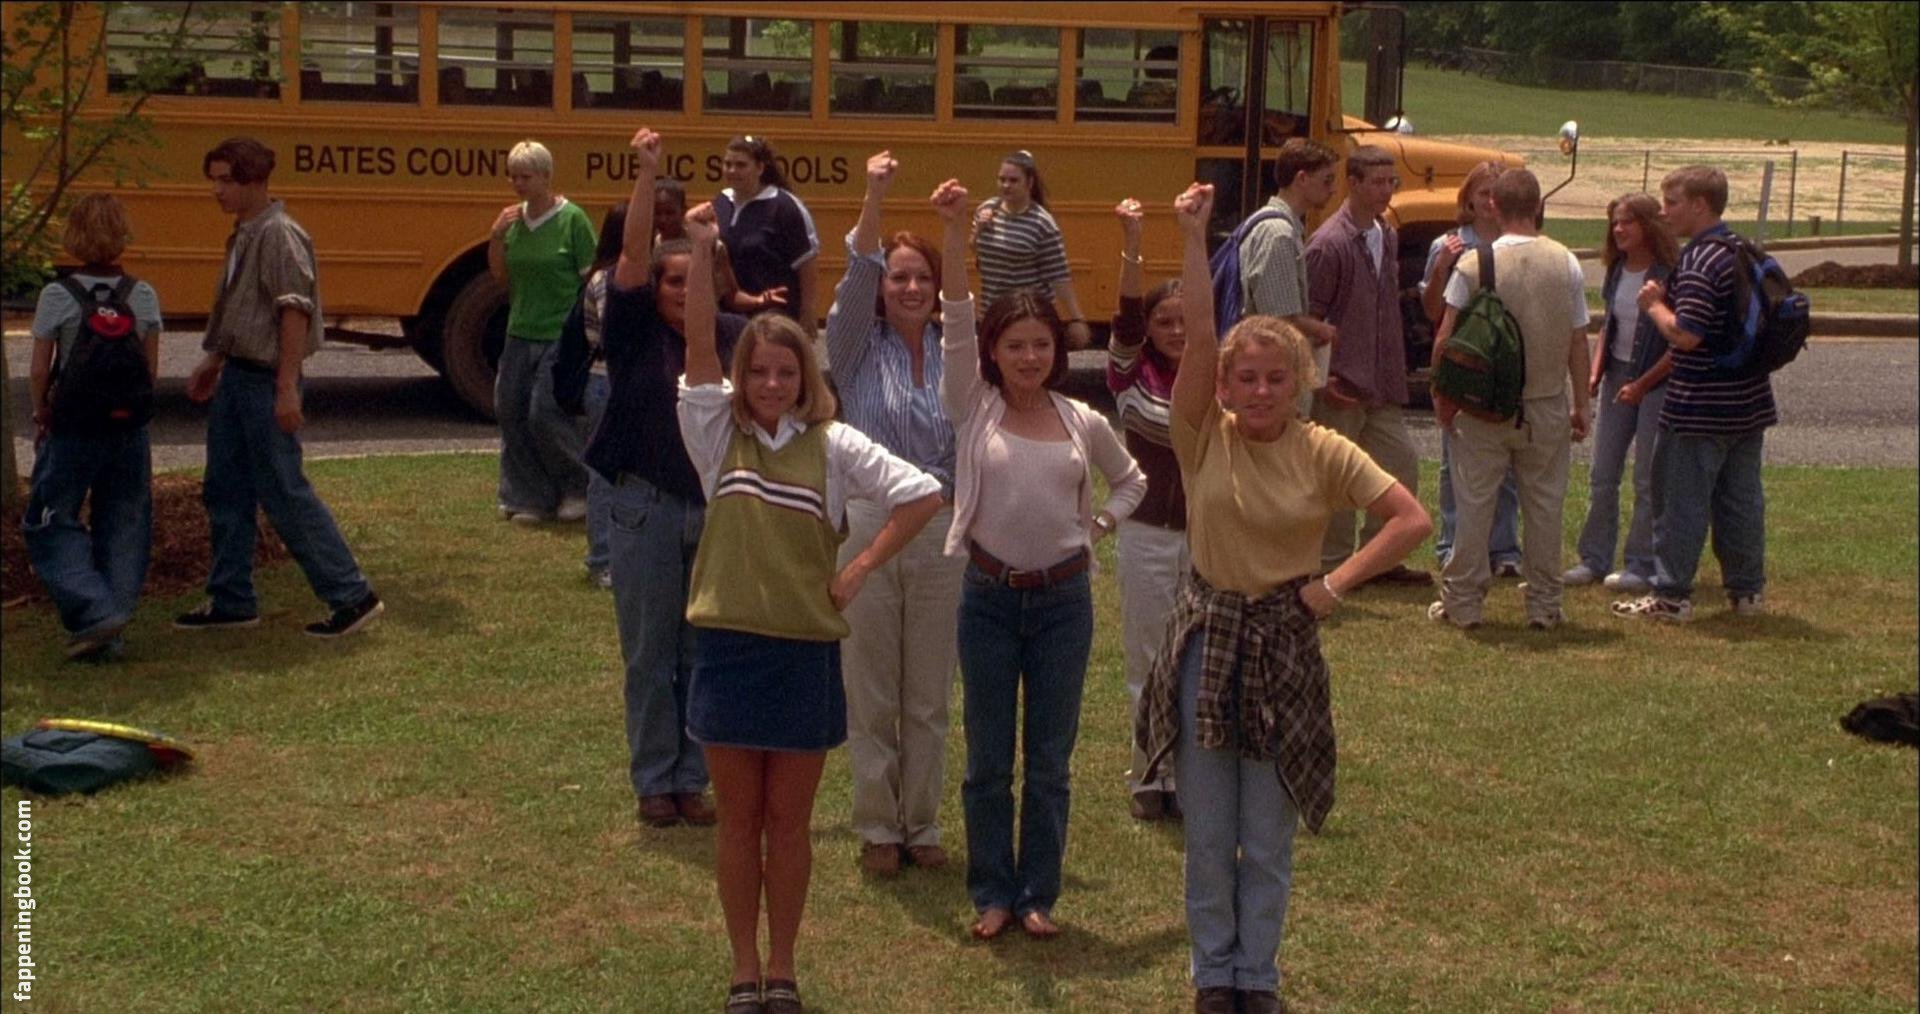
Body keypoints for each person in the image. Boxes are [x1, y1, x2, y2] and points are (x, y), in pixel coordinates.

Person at [1139, 182, 1431, 1014]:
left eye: (1276, 378)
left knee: (1266, 835)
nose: (1261, 391)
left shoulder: (1324, 449)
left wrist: (1333, 585)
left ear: (1299, 381)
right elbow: (1200, 337)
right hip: (1208, 640)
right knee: (1208, 834)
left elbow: (1409, 520)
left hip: (1284, 643)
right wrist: (1192, 236)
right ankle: (1213, 975)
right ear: (1225, 388)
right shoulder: (1203, 436)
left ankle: (1256, 977)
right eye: (1247, 379)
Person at [677, 198, 944, 1014]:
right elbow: (697, 349)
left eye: (786, 373)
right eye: (758, 372)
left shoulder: (834, 446)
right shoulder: (715, 436)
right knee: (738, 823)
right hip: (727, 650)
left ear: (806, 379)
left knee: (787, 826)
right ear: (742, 377)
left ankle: (784, 968)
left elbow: (922, 493)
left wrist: (859, 565)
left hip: (802, 655)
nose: (770, 385)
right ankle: (742, 969)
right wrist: (700, 253)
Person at [943, 210, 1148, 940]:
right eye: (1014, 345)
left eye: (1040, 344)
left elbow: (1132, 482)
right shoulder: (973, 406)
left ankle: (1037, 895)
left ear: (1056, 351)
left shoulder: (1081, 419)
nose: (1028, 357)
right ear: (993, 353)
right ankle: (992, 892)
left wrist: (1098, 527)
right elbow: (955, 320)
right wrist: (953, 233)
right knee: (988, 758)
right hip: (988, 600)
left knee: (1050, 762)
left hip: (1063, 603)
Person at [551, 128, 739, 830]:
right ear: (655, 288)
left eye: (694, 279)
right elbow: (631, 255)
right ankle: (654, 779)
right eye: (672, 281)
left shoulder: (727, 339)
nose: (682, 291)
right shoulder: (633, 333)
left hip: (711, 514)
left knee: (701, 652)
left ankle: (692, 778)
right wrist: (647, 172)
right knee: (649, 653)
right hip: (643, 509)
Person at [176, 136, 383, 637]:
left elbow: (294, 310)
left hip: (264, 380)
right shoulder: (245, 233)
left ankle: (350, 594)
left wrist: (286, 386)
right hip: (237, 375)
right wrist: (214, 359)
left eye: (227, 180)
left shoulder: (279, 235)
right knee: (225, 487)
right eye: (214, 180)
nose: (217, 190)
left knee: (284, 489)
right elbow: (244, 309)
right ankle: (231, 598)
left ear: (255, 182)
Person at [825, 151, 967, 875]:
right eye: (898, 277)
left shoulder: (955, 353)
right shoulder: (854, 348)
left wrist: (957, 229)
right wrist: (874, 195)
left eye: (922, 278)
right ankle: (879, 825)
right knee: (872, 686)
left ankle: (923, 823)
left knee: (929, 692)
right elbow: (854, 277)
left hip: (941, 530)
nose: (910, 288)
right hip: (870, 525)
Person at [1428, 168, 1592, 630]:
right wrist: (1582, 403)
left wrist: (1442, 396)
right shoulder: (1566, 262)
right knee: (1545, 508)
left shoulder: (1474, 264)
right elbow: (1578, 341)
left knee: (1473, 506)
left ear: (1494, 206)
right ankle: (1545, 604)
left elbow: (1445, 337)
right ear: (1538, 206)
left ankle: (1463, 601)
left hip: (1482, 405)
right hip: (1545, 402)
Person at [1613, 165, 1777, 624]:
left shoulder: (1702, 259)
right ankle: (1746, 592)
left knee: (1680, 501)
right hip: (1749, 401)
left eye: (1672, 203)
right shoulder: (1741, 249)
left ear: (1700, 205)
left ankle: (1671, 596)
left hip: (1699, 405)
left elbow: (1686, 335)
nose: (1664, 213)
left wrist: (1654, 305)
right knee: (1740, 501)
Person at [22, 194, 161, 661]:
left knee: (50, 518)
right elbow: (150, 371)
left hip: (74, 428)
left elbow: (39, 369)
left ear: (73, 237)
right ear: (123, 235)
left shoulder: (57, 296)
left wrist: (41, 412)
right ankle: (111, 626)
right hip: (128, 430)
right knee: (124, 522)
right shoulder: (143, 295)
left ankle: (94, 611)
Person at [1303, 146, 1429, 585]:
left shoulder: (1385, 234)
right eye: (1377, 182)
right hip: (1341, 384)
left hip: (1379, 383)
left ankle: (1380, 559)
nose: (1386, 191)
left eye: (1391, 182)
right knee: (1337, 479)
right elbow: (1307, 321)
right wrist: (1321, 380)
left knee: (1400, 465)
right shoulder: (1328, 245)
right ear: (1352, 184)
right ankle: (1331, 566)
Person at [1105, 196, 1189, 823]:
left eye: (1187, 322)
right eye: (1166, 323)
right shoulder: (1130, 377)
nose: (1177, 332)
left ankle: (1188, 779)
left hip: (1207, 538)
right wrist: (1133, 245)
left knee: (1198, 664)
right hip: (1148, 536)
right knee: (1150, 660)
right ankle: (1148, 776)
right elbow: (1126, 318)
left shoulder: (1217, 380)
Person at [1565, 193, 1679, 593]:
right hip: (1618, 377)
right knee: (1602, 475)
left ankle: (1641, 565)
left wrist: (1642, 384)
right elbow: (1608, 329)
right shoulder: (1617, 269)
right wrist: (1595, 374)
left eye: (1627, 221)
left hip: (1657, 382)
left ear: (1649, 225)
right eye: (1614, 222)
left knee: (1647, 479)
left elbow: (1679, 343)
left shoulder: (1670, 272)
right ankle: (1593, 559)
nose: (1618, 229)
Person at [1421, 161, 1523, 579]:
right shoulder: (1448, 244)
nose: (1489, 202)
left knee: (1508, 463)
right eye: (1483, 193)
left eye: (1497, 194)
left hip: (1504, 362)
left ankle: (1503, 548)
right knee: (1455, 462)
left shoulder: (1516, 244)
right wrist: (1441, 268)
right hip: (1462, 362)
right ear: (1469, 198)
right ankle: (1452, 543)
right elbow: (1431, 311)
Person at [488, 139, 596, 525]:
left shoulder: (572, 220)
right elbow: (501, 277)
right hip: (520, 329)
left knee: (545, 413)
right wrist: (496, 236)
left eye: (526, 176)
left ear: (546, 177)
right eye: (513, 176)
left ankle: (577, 487)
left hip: (558, 332)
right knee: (511, 411)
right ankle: (526, 497)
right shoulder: (513, 222)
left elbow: (590, 279)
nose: (518, 184)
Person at [1235, 137, 1341, 418]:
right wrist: (1320, 329)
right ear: (1302, 179)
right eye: (1327, 180)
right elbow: (1277, 322)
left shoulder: (1272, 225)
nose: (1333, 189)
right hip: (1268, 383)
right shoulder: (1278, 234)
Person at [551, 204, 627, 588]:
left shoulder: (609, 275)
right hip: (609, 381)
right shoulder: (609, 280)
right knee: (605, 474)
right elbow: (614, 336)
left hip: (607, 382)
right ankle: (602, 559)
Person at [972, 151, 1094, 349]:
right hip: (991, 313)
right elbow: (977, 252)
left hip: (1028, 317)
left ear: (1029, 183)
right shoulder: (986, 210)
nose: (1006, 185)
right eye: (1002, 179)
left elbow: (1059, 276)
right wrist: (978, 230)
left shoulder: (1042, 223)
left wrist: (1076, 318)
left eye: (1013, 180)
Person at [713, 135, 820, 333]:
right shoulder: (721, 202)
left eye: (741, 165)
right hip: (730, 318)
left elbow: (806, 263)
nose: (732, 170)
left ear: (760, 168)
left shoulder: (784, 206)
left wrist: (808, 313)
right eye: (727, 164)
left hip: (775, 318)